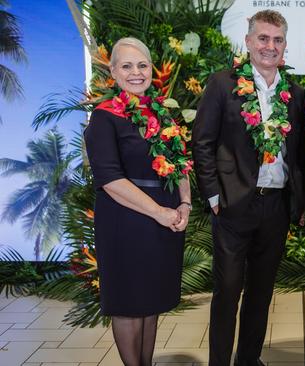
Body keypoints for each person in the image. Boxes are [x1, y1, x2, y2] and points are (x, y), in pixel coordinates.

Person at [192, 10, 305, 366]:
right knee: (226, 292)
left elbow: (300, 152)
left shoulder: (295, 92)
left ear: (285, 45)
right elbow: (202, 142)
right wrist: (213, 195)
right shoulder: (223, 84)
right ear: (248, 41)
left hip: (275, 207)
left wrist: (299, 203)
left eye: (276, 40)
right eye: (263, 38)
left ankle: (249, 359)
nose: (269, 47)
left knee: (261, 293)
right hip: (232, 204)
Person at [84, 37, 192, 366]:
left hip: (165, 221)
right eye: (127, 66)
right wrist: (160, 212)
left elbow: (181, 164)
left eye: (142, 65)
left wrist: (184, 204)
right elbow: (111, 180)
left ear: (151, 70)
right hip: (126, 223)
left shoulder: (162, 114)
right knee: (129, 305)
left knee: (151, 302)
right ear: (113, 72)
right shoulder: (104, 118)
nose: (136, 72)